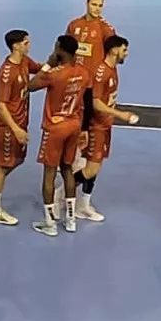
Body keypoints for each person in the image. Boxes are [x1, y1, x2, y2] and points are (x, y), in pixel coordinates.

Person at [28, 35, 94, 237]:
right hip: (74, 125)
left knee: (49, 174)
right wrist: (85, 129)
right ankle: (71, 220)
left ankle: (49, 223)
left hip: (55, 128)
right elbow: (89, 101)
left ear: (60, 50)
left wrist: (48, 64)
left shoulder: (54, 74)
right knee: (67, 169)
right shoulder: (84, 73)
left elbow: (30, 86)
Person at [0, 30, 43, 225]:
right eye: (25, 42)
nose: (28, 45)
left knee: (17, 160)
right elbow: (1, 106)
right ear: (16, 46)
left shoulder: (24, 61)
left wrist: (57, 63)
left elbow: (39, 69)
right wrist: (15, 129)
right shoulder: (6, 73)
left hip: (21, 121)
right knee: (3, 165)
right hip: (8, 126)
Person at [69, 35, 138, 222]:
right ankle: (62, 196)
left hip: (105, 125)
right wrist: (120, 114)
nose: (126, 53)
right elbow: (95, 102)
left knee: (95, 168)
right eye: (124, 49)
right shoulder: (102, 72)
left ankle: (83, 205)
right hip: (96, 126)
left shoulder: (112, 70)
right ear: (114, 50)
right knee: (90, 168)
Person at [65, 0, 116, 172]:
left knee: (88, 120)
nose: (97, 9)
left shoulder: (105, 28)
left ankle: (80, 155)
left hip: (92, 84)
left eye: (100, 5)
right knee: (71, 117)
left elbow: (113, 54)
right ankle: (69, 154)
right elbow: (66, 49)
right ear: (87, 3)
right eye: (94, 4)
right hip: (74, 81)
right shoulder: (74, 25)